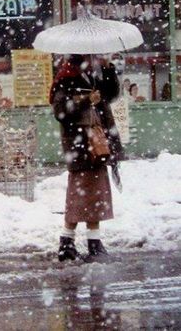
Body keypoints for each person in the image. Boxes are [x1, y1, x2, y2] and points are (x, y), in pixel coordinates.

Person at [50, 53, 124, 262]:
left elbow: (111, 94)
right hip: (80, 144)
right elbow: (61, 110)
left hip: (97, 143)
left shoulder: (94, 73)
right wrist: (85, 99)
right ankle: (78, 243)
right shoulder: (66, 76)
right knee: (81, 195)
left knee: (94, 195)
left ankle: (80, 242)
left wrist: (108, 68)